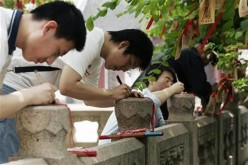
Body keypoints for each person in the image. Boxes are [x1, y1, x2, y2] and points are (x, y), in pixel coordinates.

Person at [0, 1, 86, 163]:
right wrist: (28, 95)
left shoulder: (7, 44)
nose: (50, 61)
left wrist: (33, 100)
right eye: (56, 51)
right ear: (48, 28)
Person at [98, 65, 184, 145]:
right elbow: (148, 103)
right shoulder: (138, 93)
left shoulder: (155, 102)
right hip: (111, 145)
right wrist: (172, 90)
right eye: (167, 80)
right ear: (151, 79)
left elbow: (161, 124)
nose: (169, 85)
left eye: (172, 83)